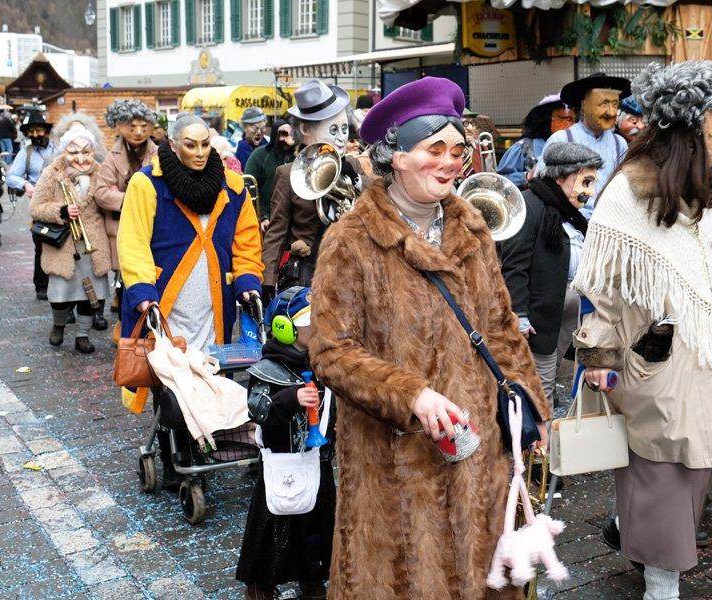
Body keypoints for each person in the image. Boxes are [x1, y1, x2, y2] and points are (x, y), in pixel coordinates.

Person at [308, 76, 550, 599]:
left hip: (478, 453)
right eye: (433, 149)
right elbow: (330, 351)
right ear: (396, 156)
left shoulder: (474, 228)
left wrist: (530, 404)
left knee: (481, 576)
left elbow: (500, 327)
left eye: (457, 151)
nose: (449, 162)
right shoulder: (350, 241)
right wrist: (410, 394)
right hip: (396, 464)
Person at [574, 61, 712, 599]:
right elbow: (603, 287)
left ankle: (634, 536)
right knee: (661, 471)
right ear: (697, 130)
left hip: (698, 358)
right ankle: (660, 583)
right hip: (652, 358)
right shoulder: (628, 194)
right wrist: (598, 359)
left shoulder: (703, 190)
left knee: (691, 471)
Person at [117, 112, 263, 486]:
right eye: (190, 145)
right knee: (171, 377)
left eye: (205, 144)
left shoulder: (232, 185)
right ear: (173, 144)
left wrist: (248, 280)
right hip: (165, 303)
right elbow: (132, 243)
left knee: (210, 373)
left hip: (213, 302)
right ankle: (176, 456)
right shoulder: (146, 184)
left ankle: (211, 442)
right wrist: (142, 292)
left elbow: (246, 242)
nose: (199, 153)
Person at [236, 286, 336, 600]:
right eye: (309, 321)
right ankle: (260, 585)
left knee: (317, 525)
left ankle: (312, 578)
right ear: (285, 327)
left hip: (317, 459)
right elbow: (258, 409)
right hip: (282, 463)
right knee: (273, 527)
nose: (317, 326)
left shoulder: (324, 363)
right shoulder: (268, 368)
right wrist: (290, 398)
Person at [501, 142, 600, 405]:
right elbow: (514, 265)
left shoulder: (569, 213)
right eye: (585, 181)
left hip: (567, 320)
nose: (589, 192)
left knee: (557, 384)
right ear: (560, 177)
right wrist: (519, 315)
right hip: (541, 320)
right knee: (539, 393)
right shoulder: (531, 206)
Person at [261, 79, 371, 295]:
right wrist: (267, 282)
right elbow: (276, 232)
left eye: (344, 129)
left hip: (352, 267)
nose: (341, 138)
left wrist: (356, 178)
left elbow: (380, 199)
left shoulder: (353, 163)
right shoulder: (287, 173)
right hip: (308, 272)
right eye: (333, 130)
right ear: (305, 130)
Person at [29, 124, 111, 354]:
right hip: (64, 244)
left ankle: (82, 335)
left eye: (86, 152)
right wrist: (61, 210)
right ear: (64, 151)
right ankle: (58, 326)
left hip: (93, 242)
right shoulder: (52, 173)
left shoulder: (101, 172)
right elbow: (35, 207)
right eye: (74, 152)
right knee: (60, 293)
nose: (81, 158)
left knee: (90, 295)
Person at [93, 99, 159, 337]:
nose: (139, 131)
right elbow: (101, 192)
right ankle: (125, 326)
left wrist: (123, 193)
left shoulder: (158, 154)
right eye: (132, 126)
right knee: (124, 279)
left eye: (144, 126)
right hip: (120, 226)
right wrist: (132, 200)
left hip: (151, 225)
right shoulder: (112, 157)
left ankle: (151, 324)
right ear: (119, 126)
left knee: (151, 274)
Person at [537, 73, 631, 217]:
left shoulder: (620, 144)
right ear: (584, 104)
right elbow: (543, 186)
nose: (611, 112)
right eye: (604, 103)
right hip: (570, 221)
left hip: (609, 219)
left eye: (614, 104)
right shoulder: (562, 139)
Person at [7, 111, 57, 300]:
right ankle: (41, 285)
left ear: (46, 131)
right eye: (32, 132)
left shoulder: (58, 149)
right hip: (39, 205)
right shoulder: (25, 153)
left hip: (61, 202)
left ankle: (62, 284)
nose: (35, 135)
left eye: (39, 130)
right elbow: (11, 176)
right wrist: (26, 184)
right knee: (41, 244)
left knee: (64, 243)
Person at [497, 95, 575, 189]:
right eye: (564, 119)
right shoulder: (524, 147)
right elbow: (500, 180)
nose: (571, 125)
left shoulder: (576, 146)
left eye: (573, 120)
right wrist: (527, 177)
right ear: (547, 120)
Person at [244, 119, 298, 229]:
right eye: (284, 134)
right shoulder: (260, 155)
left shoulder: (299, 156)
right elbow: (249, 187)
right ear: (275, 135)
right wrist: (262, 216)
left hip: (296, 219)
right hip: (268, 219)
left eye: (291, 134)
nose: (288, 138)